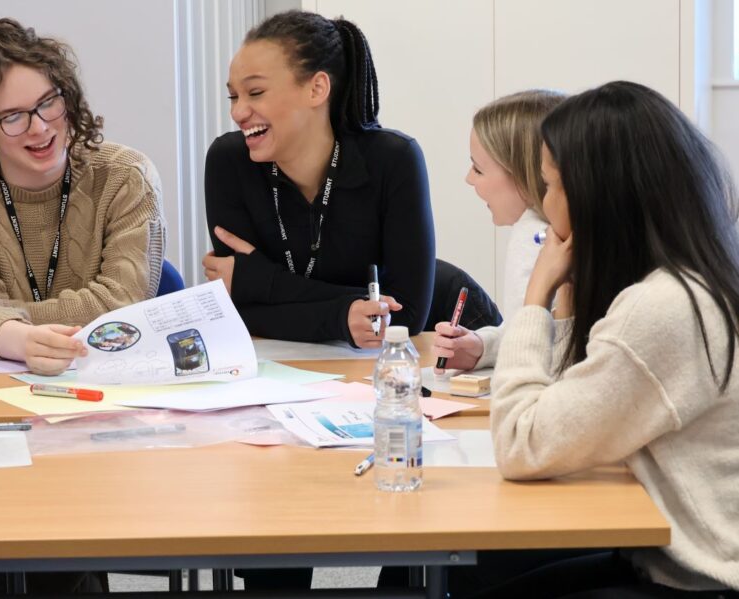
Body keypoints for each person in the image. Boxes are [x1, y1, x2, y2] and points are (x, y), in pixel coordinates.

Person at [487, 81, 739, 597]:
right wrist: (566, 301)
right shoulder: (697, 275)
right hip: (665, 557)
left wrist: (537, 293)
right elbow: (566, 406)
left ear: (596, 198)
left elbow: (521, 443)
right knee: (481, 572)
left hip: (697, 579)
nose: (544, 205)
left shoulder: (666, 308)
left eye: (551, 186)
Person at [0, 16, 166, 377]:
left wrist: (5, 323)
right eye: (13, 116)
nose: (40, 127)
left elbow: (122, 304)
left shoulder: (125, 177)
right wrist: (11, 336)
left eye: (48, 102)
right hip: (2, 392)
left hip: (118, 381)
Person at [202, 10, 434, 351]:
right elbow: (237, 308)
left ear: (317, 88)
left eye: (255, 92)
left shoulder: (394, 159)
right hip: (282, 369)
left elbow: (405, 315)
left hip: (391, 367)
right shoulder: (228, 161)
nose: (238, 112)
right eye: (233, 96)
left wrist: (261, 282)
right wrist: (344, 314)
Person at [431, 90, 566, 372]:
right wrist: (482, 347)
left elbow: (533, 355)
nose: (469, 179)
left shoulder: (532, 236)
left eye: (478, 170)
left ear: (524, 176)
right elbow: (527, 330)